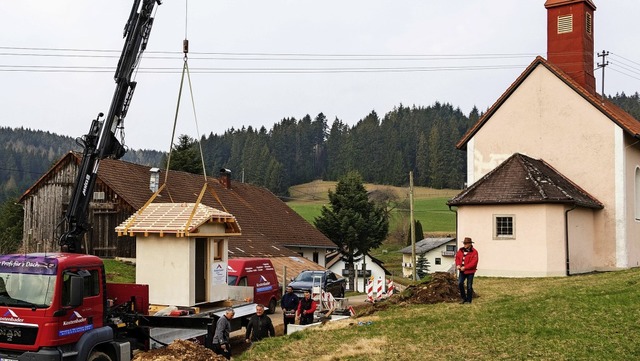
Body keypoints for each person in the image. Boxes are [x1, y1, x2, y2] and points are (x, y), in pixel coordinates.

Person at [455, 237, 479, 304]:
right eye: (464, 243)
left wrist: (465, 267)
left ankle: (469, 300)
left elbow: (474, 262)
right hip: (462, 271)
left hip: (470, 272)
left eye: (466, 243)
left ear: (470, 244)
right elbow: (457, 258)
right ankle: (463, 298)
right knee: (460, 283)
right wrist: (458, 265)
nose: (464, 245)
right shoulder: (461, 250)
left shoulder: (474, 252)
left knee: (469, 286)